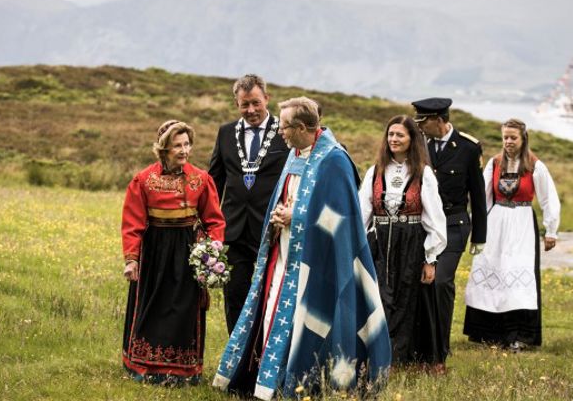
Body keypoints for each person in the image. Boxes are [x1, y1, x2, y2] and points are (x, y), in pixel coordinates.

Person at [213, 97, 391, 400]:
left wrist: (296, 216)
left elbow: (341, 216)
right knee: (271, 314)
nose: (279, 132)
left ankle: (300, 381)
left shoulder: (333, 160)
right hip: (283, 254)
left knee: (305, 322)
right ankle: (267, 381)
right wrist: (282, 216)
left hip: (316, 262)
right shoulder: (295, 154)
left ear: (302, 127)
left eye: (284, 127)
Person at [121, 120, 226, 383]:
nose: (184, 150)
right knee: (152, 308)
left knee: (183, 310)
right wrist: (132, 260)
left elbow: (215, 220)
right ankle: (147, 368)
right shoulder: (143, 180)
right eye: (177, 145)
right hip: (154, 253)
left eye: (187, 144)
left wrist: (211, 255)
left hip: (187, 253)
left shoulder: (201, 179)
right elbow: (133, 223)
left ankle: (183, 372)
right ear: (163, 148)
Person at [463, 119, 560, 352]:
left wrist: (551, 230)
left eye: (513, 137)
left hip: (522, 222)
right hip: (496, 222)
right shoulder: (494, 164)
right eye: (505, 137)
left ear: (523, 138)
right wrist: (479, 227)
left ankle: (520, 335)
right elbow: (483, 196)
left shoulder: (535, 165)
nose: (508, 142)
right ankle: (488, 333)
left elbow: (549, 199)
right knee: (492, 268)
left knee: (517, 274)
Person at [358, 115, 447, 366]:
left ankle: (401, 358)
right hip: (380, 242)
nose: (394, 139)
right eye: (391, 134)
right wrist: (356, 243)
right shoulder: (375, 171)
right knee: (380, 296)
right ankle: (379, 355)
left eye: (400, 135)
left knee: (407, 300)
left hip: (411, 243)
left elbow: (435, 219)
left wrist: (430, 258)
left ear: (411, 140)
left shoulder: (423, 173)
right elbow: (362, 210)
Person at [209, 74, 290, 334]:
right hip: (233, 230)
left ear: (267, 98)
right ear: (237, 104)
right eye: (245, 104)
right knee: (234, 295)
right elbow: (215, 181)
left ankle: (265, 351)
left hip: (272, 228)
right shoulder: (224, 133)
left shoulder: (284, 132)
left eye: (256, 102)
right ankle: (237, 354)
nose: (251, 110)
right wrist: (209, 226)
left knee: (271, 293)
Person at [412, 97, 486, 372]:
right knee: (422, 283)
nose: (419, 126)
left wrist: (480, 236)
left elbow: (477, 195)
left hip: (454, 224)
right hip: (426, 225)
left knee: (441, 282)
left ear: (439, 120)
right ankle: (421, 350)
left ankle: (440, 352)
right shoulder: (420, 146)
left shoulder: (468, 147)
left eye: (423, 121)